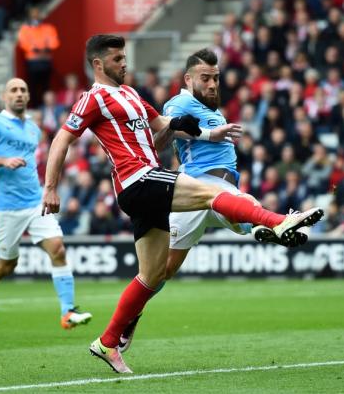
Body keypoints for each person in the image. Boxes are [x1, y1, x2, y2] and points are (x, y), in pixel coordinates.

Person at [41, 35, 323, 373]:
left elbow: (162, 126)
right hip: (137, 179)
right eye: (117, 59)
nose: (124, 64)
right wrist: (51, 188)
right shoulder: (92, 98)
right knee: (209, 195)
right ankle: (278, 221)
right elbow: (61, 139)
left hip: (148, 180)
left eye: (124, 57)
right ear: (98, 64)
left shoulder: (131, 94)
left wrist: (191, 130)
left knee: (153, 275)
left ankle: (108, 342)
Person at [116, 48, 315, 355]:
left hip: (214, 192)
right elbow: (161, 138)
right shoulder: (180, 102)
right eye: (205, 78)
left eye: (216, 78)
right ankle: (275, 224)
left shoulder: (213, 108)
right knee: (239, 207)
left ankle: (266, 227)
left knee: (164, 271)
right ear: (188, 79)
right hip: (198, 186)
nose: (212, 84)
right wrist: (196, 131)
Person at [0, 78, 92, 329]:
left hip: (35, 201)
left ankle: (67, 312)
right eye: (13, 90)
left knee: (57, 248)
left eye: (23, 90)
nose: (18, 94)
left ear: (27, 97)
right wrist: (3, 161)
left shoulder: (33, 129)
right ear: (5, 96)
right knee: (7, 264)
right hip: (6, 207)